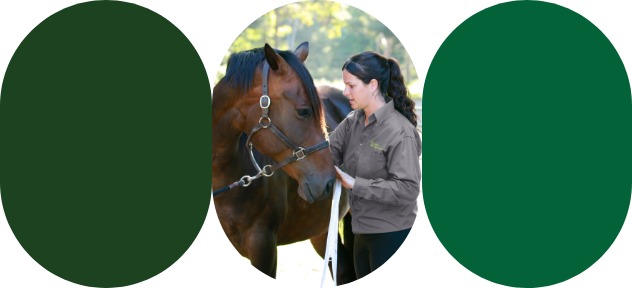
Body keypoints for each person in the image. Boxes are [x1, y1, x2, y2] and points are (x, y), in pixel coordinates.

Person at [329, 51, 422, 280]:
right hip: (359, 233)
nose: (345, 92)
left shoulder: (400, 131)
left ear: (372, 85)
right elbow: (327, 153)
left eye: (351, 85)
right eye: (345, 85)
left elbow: (408, 189)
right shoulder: (353, 121)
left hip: (391, 236)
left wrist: (355, 184)